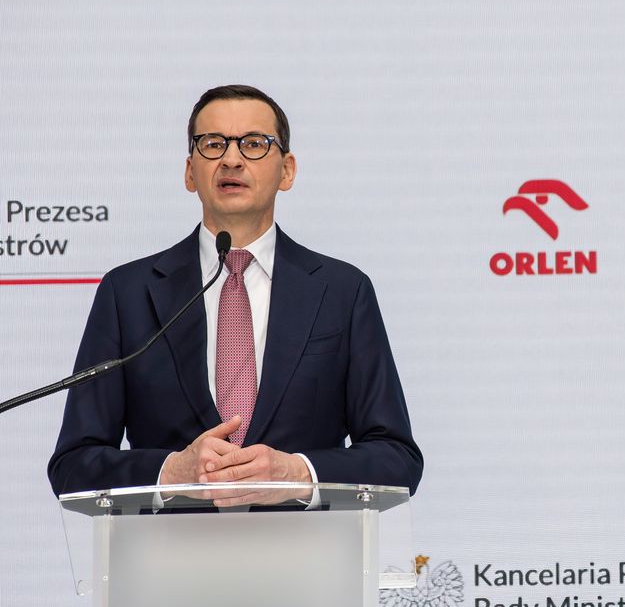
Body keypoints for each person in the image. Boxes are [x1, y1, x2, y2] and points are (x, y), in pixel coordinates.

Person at [48, 85, 422, 505]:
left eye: (254, 144)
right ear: (190, 172)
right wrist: (171, 471)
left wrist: (297, 472)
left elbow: (397, 459)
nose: (231, 158)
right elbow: (73, 466)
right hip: (166, 560)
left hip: (308, 559)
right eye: (213, 144)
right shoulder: (128, 293)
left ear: (287, 170)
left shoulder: (342, 291)